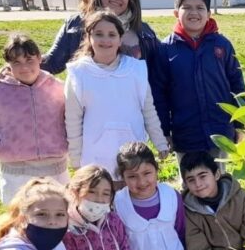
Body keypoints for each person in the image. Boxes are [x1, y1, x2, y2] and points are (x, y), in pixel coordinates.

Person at [64, 11, 168, 183]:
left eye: (112, 34)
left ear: (120, 39)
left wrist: (160, 142)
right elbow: (72, 120)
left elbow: (148, 110)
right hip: (95, 157)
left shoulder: (136, 70)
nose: (105, 40)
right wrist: (75, 159)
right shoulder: (78, 73)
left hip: (133, 157)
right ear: (89, 37)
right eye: (99, 34)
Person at [0, 34, 69, 204]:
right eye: (16, 62)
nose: (24, 68)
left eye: (29, 60)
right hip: (15, 174)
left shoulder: (57, 87)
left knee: (56, 214)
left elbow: (73, 118)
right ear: (8, 63)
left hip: (55, 170)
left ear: (39, 58)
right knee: (19, 216)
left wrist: (68, 142)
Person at [151, 0, 245, 160]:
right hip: (186, 135)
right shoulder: (165, 49)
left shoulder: (222, 45)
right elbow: (159, 95)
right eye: (187, 7)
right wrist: (164, 131)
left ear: (209, 14)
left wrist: (240, 124)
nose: (194, 12)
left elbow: (237, 84)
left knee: (218, 175)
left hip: (220, 132)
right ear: (176, 13)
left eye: (200, 8)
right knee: (189, 176)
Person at [41, 0, 158, 75]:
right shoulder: (75, 25)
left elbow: (160, 69)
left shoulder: (145, 32)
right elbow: (52, 63)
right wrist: (31, 58)